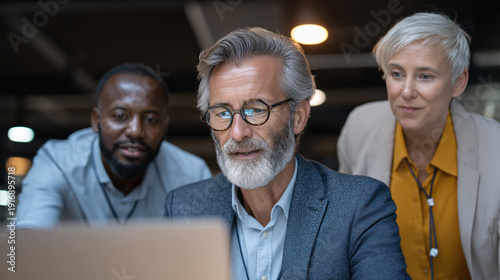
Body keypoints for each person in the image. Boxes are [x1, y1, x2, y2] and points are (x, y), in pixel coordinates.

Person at [165, 27, 410, 279]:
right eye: (222, 112)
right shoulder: (184, 210)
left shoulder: (360, 205)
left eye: (256, 109)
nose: (238, 133)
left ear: (299, 117)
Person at [337, 12, 500, 280]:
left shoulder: (495, 146)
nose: (407, 91)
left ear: (458, 82)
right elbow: (345, 238)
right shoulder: (360, 128)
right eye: (397, 73)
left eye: (425, 76)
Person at [17, 63, 212, 228]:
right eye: (120, 116)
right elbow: (26, 247)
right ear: (96, 120)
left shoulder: (192, 176)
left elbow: (204, 256)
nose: (135, 131)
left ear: (164, 126)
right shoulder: (58, 164)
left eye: (151, 119)